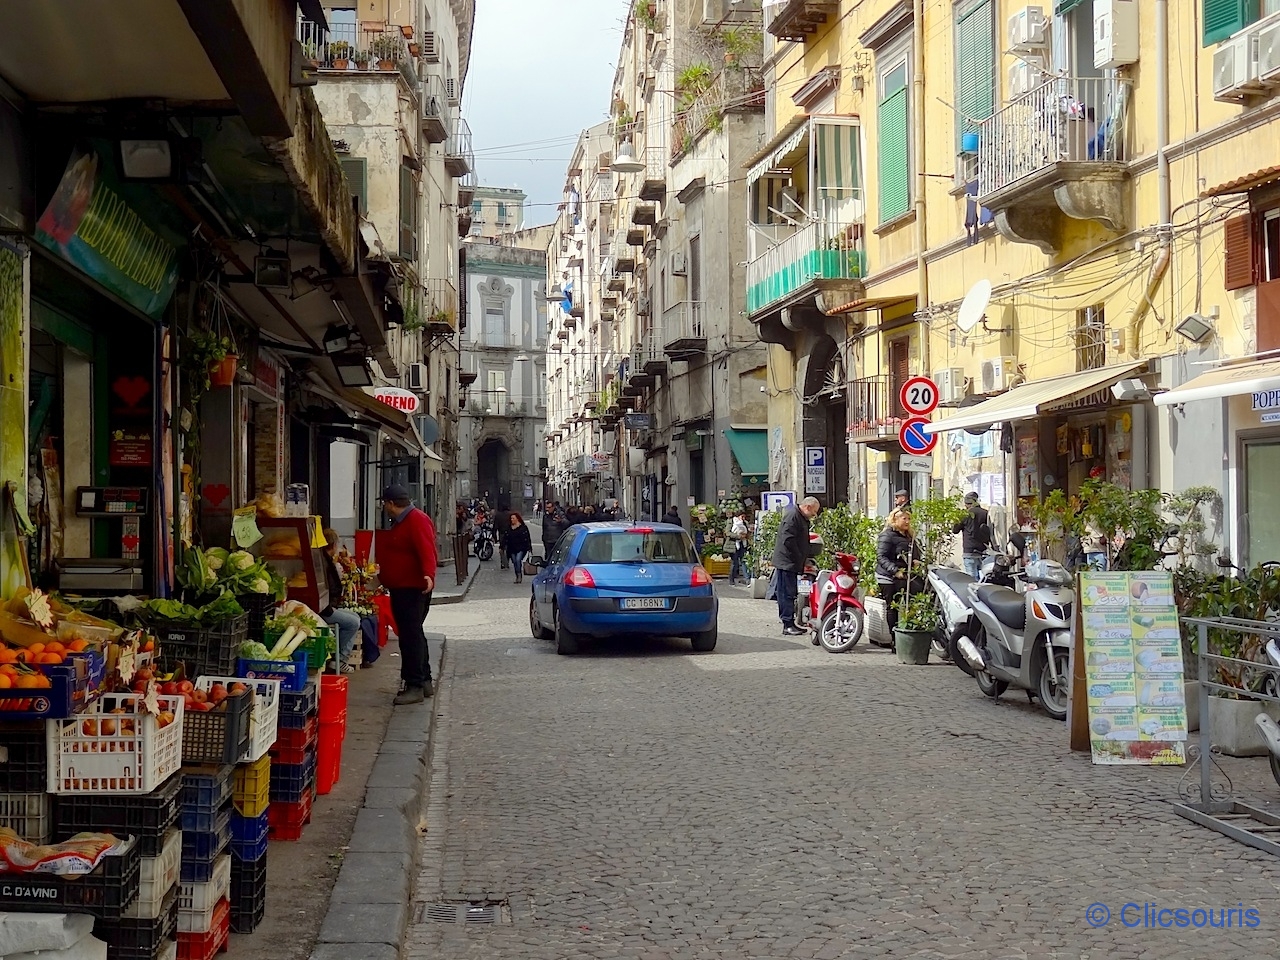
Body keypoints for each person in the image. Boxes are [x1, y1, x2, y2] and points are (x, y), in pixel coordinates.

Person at [375, 484, 438, 705]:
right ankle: (425, 680)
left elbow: (427, 549)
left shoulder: (416, 520)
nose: (385, 508)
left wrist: (428, 575)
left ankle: (414, 685)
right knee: (414, 634)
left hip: (411, 589)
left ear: (391, 503)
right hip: (404, 587)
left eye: (385, 504)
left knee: (410, 638)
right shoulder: (403, 522)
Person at [771, 497, 822, 636]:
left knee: (790, 592)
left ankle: (790, 623)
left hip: (791, 562)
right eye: (814, 512)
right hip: (787, 562)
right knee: (786, 593)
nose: (814, 515)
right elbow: (788, 540)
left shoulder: (799, 517)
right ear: (808, 507)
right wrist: (799, 555)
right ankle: (787, 624)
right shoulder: (793, 517)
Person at [319, 529, 360, 674]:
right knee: (353, 622)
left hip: (327, 606)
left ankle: (338, 657)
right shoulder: (324, 563)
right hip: (324, 609)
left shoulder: (325, 560)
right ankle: (340, 660)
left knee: (355, 617)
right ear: (333, 545)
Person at [877, 509, 921, 634]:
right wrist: (895, 571)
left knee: (913, 601)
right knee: (893, 606)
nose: (907, 522)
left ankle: (909, 633)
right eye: (904, 519)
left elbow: (914, 553)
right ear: (895, 520)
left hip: (905, 576)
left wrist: (916, 561)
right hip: (888, 576)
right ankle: (894, 638)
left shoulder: (909, 536)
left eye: (909, 519)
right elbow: (881, 557)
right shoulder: (888, 535)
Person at [953, 492, 992, 578]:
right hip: (983, 551)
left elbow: (955, 530)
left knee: (972, 580)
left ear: (966, 503)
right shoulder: (985, 513)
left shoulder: (964, 514)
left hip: (969, 551)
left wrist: (956, 519)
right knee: (984, 579)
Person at [507, 512, 533, 583]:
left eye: (513, 518)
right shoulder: (509, 528)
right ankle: (517, 574)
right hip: (512, 548)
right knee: (514, 562)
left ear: (517, 519)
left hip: (521, 547)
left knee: (518, 560)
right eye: (511, 518)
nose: (512, 520)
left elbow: (527, 537)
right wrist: (502, 546)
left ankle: (519, 575)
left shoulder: (523, 527)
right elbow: (506, 537)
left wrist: (529, 547)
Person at [728, 508, 750, 585]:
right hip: (734, 544)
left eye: (744, 517)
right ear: (738, 516)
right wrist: (737, 536)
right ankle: (731, 579)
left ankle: (747, 579)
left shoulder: (745, 523)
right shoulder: (731, 522)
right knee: (735, 562)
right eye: (742, 516)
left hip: (743, 544)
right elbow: (727, 533)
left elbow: (747, 532)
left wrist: (746, 535)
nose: (743, 518)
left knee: (744, 561)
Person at [495, 503, 512, 569]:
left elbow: (495, 527)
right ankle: (507, 562)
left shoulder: (498, 515)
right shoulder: (510, 515)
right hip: (510, 533)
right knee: (508, 548)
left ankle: (502, 562)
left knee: (502, 548)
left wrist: (494, 536)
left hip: (501, 533)